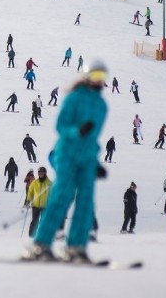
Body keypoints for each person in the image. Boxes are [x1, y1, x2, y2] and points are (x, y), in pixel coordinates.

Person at [25, 60, 109, 263]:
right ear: (87, 77)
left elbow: (94, 137)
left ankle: (76, 247)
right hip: (67, 153)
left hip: (87, 158)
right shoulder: (74, 98)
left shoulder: (101, 106)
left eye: (102, 77)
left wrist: (96, 162)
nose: (99, 81)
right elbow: (61, 126)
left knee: (86, 202)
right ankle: (41, 244)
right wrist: (76, 131)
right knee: (62, 196)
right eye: (95, 76)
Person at [26, 167, 52, 237]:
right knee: (34, 221)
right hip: (35, 205)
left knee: (44, 221)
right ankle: (31, 235)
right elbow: (30, 192)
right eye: (39, 173)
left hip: (45, 206)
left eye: (42, 173)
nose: (41, 174)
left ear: (45, 173)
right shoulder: (34, 182)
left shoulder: (49, 183)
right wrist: (28, 200)